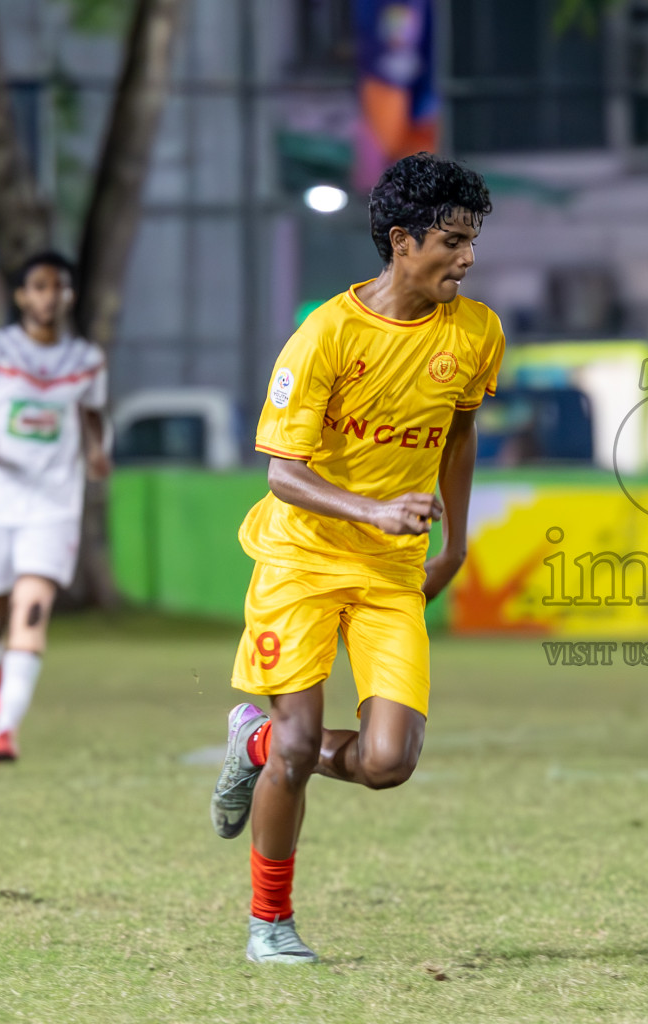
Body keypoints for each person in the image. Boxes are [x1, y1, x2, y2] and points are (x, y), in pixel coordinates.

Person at [209, 154, 502, 964]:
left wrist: (458, 542)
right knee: (300, 747)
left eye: (473, 241)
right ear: (402, 241)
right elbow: (282, 472)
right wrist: (374, 509)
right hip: (299, 562)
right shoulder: (326, 335)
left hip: (389, 578)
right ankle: (270, 924)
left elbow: (461, 431)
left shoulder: (477, 332)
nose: (467, 258)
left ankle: (252, 742)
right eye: (452, 240)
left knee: (387, 763)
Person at [0, 252, 109, 764]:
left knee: (30, 612)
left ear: (69, 295)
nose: (48, 296)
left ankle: (3, 729)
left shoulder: (85, 359)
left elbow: (93, 414)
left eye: (58, 287)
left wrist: (98, 452)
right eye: (37, 286)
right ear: (21, 296)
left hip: (53, 503)